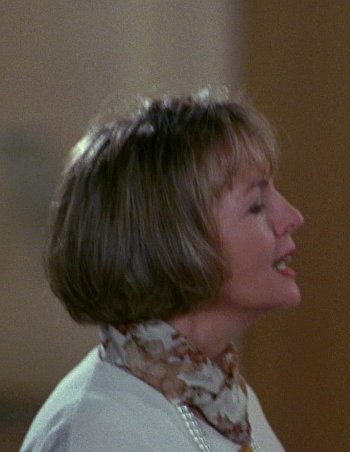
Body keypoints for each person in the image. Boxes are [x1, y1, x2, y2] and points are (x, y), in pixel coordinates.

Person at [22, 90, 303, 451]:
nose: (293, 217)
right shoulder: (100, 429)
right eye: (257, 205)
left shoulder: (221, 397)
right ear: (175, 239)